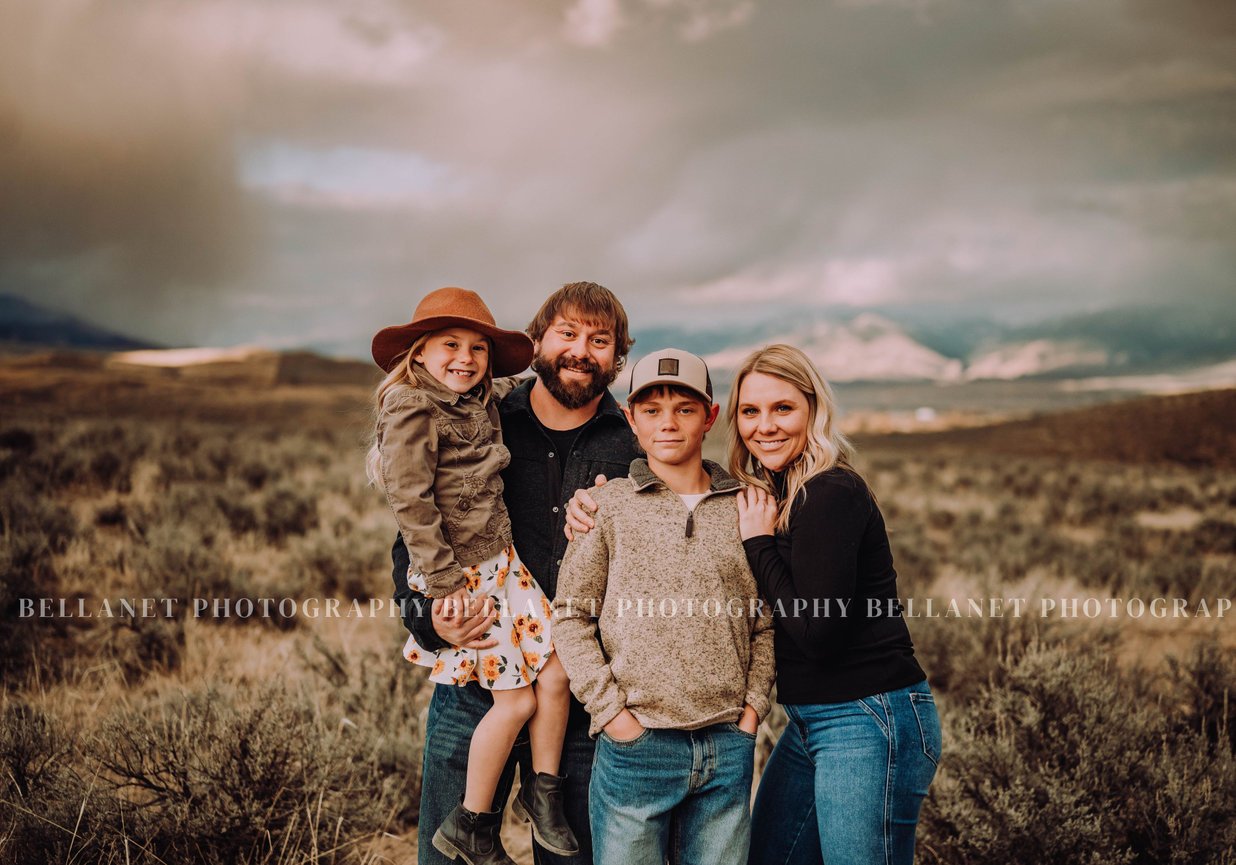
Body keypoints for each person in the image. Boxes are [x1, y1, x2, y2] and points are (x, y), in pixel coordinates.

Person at [390, 282, 640, 865]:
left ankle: (541, 796)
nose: (582, 350)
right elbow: (414, 533)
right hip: (476, 679)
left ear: (617, 358)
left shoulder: (634, 442)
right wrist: (431, 620)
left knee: (571, 856)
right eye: (568, 334)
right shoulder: (480, 416)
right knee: (449, 858)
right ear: (536, 343)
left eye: (599, 341)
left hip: (579, 695)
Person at [369, 286, 579, 865]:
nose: (465, 358)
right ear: (418, 351)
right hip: (464, 578)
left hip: (503, 564)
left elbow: (509, 388)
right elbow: (410, 502)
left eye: (478, 348)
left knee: (559, 664)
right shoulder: (411, 405)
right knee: (513, 705)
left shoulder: (478, 398)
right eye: (449, 345)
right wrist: (442, 587)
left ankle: (543, 794)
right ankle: (473, 825)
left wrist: (536, 366)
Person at [553, 348, 776, 865]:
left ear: (711, 417)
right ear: (631, 419)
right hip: (636, 747)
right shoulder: (606, 508)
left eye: (685, 408)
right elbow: (571, 616)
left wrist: (753, 709)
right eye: (651, 410)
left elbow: (764, 623)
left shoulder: (747, 508)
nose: (668, 423)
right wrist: (612, 715)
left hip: (727, 742)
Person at [729, 344, 941, 865]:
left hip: (869, 716)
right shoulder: (774, 493)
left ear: (813, 410)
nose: (766, 426)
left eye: (783, 408)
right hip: (810, 722)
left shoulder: (829, 492)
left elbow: (817, 632)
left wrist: (757, 543)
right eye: (750, 411)